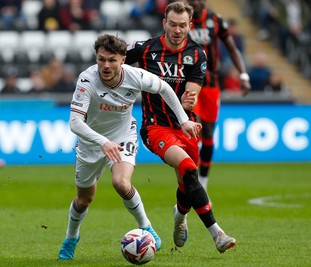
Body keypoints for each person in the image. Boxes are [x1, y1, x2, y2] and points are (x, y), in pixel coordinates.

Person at [57, 33, 202, 260]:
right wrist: (102, 142)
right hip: (91, 142)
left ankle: (147, 228)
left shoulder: (136, 76)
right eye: (101, 59)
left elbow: (164, 89)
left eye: (112, 60)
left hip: (123, 135)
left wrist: (183, 120)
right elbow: (75, 122)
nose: (106, 65)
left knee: (120, 182)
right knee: (84, 199)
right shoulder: (87, 80)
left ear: (123, 59)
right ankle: (71, 237)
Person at [125, 1, 236, 253]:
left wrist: (191, 98)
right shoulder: (145, 49)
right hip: (155, 127)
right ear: (164, 23)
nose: (177, 30)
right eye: (172, 24)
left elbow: (193, 89)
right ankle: (217, 234)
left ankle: (180, 216)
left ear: (190, 25)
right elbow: (113, 58)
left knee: (188, 180)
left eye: (182, 25)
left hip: (186, 127)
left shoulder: (198, 54)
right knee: (187, 167)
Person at [188, 0, 251, 190]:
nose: (195, 2)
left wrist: (243, 74)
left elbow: (232, 49)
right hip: (189, 85)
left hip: (211, 85)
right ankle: (189, 180)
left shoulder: (216, 21)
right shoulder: (182, 20)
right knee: (193, 129)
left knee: (207, 133)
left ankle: (203, 182)